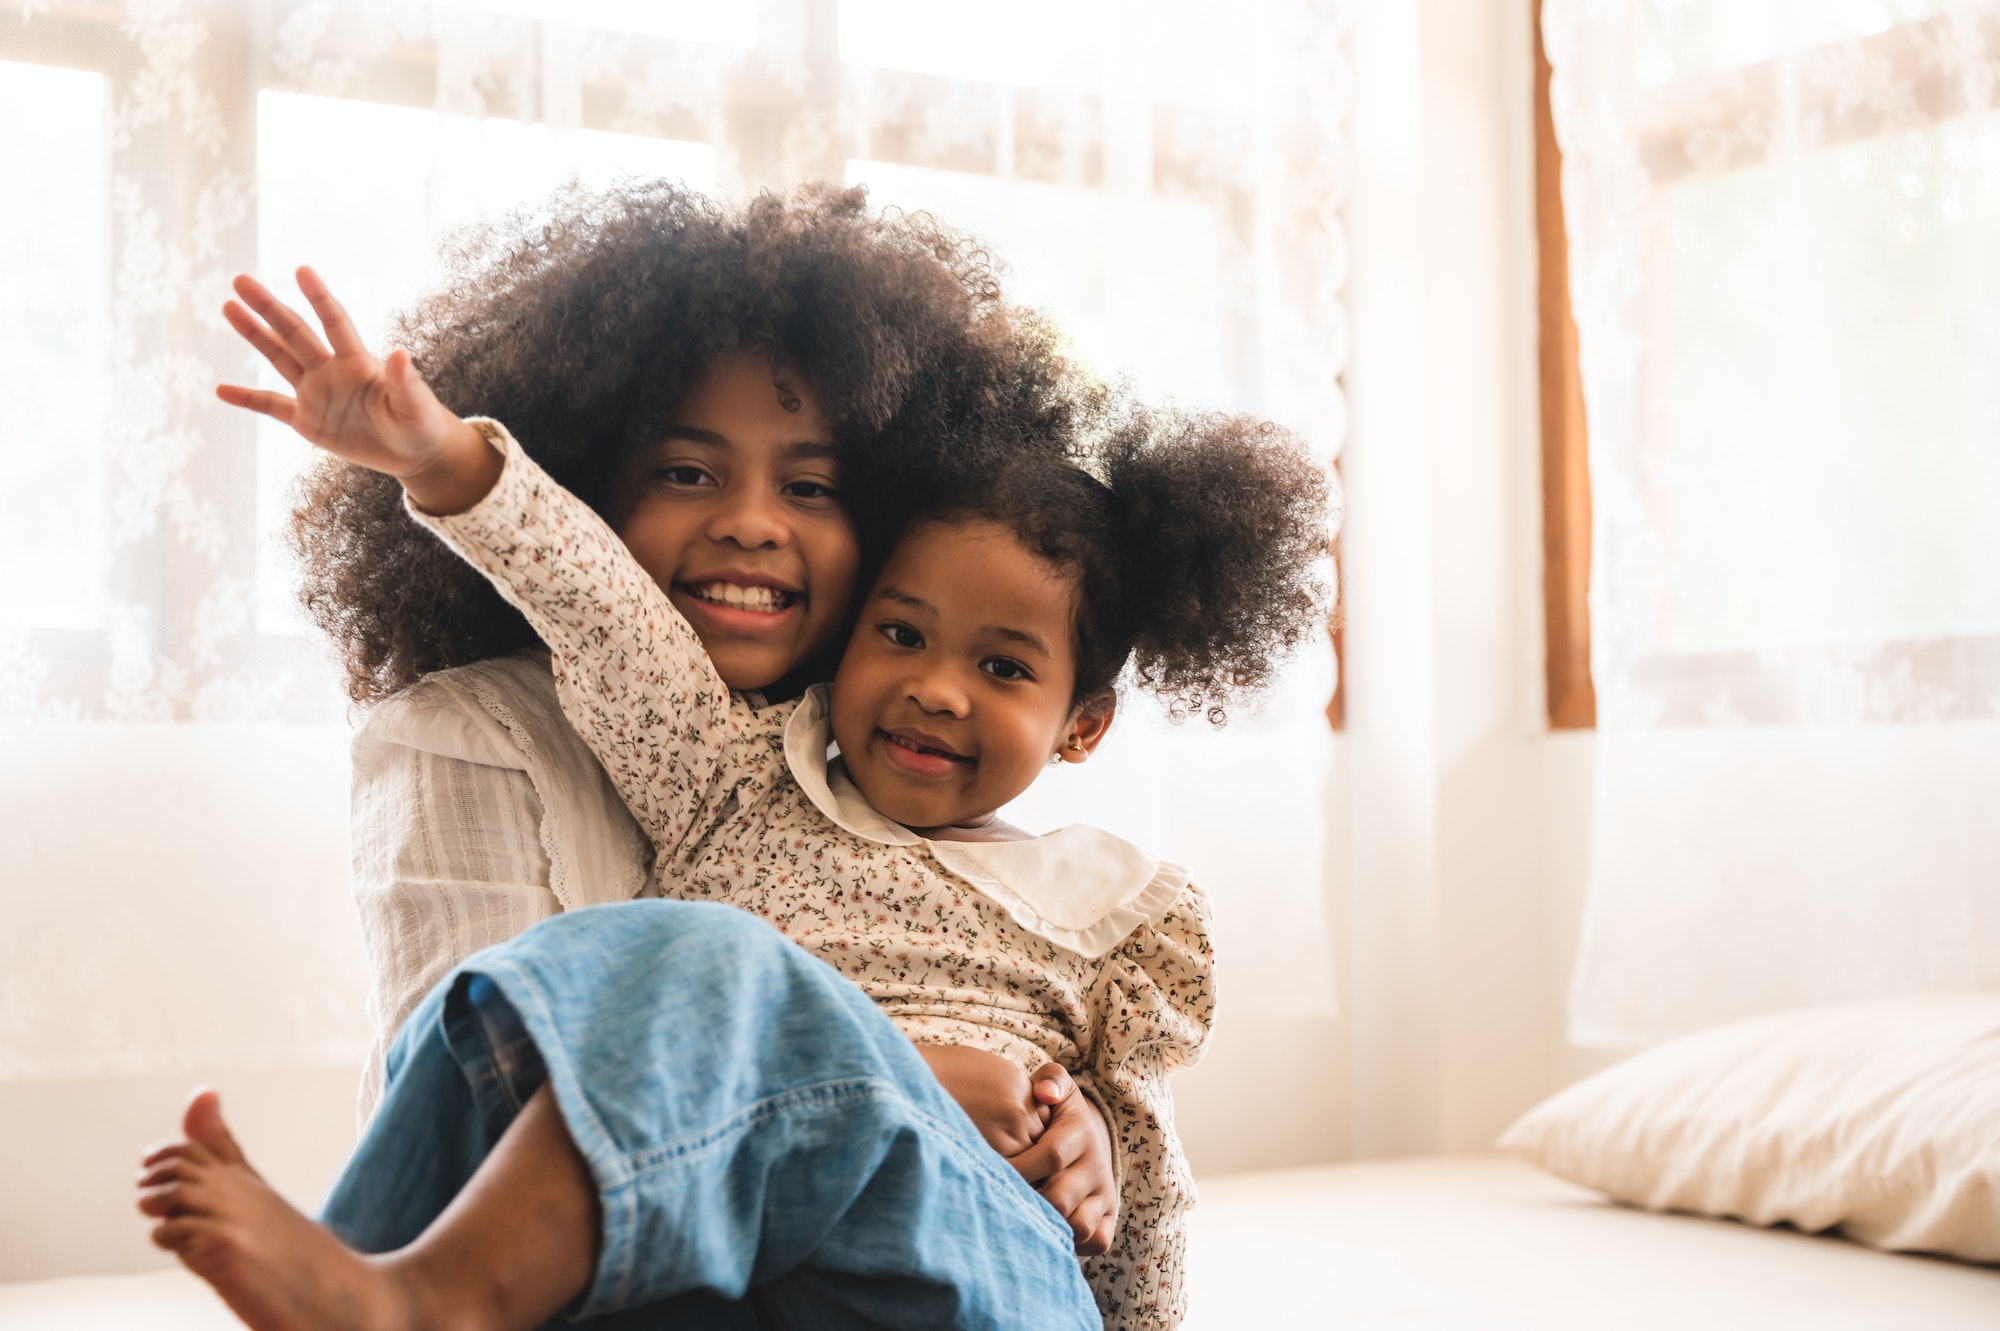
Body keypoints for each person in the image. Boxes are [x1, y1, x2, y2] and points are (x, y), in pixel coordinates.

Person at [138, 251, 1331, 1328]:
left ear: (1081, 726)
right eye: (902, 633)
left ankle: (414, 1302)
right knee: (537, 992)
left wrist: (1091, 1158)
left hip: (984, 1260)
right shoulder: (738, 780)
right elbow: (606, 617)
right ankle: (386, 1282)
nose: (937, 689)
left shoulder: (1109, 910)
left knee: (705, 957)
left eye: (1002, 666)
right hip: (754, 1259)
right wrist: (447, 459)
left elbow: (1148, 1200)